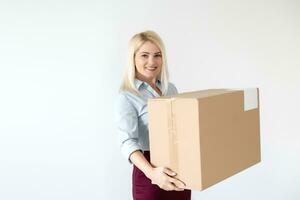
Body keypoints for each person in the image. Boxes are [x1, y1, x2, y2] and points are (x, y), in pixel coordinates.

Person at [115, 30, 191, 200]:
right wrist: (152, 173)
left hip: (178, 171)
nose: (152, 61)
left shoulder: (170, 89)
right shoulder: (127, 96)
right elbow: (127, 142)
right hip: (150, 172)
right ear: (133, 58)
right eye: (144, 55)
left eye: (157, 55)